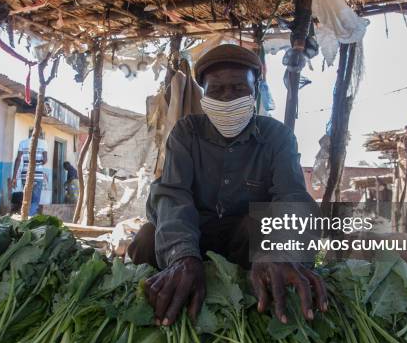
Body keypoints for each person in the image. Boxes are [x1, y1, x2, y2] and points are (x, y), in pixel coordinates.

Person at [127, 44, 327, 327]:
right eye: (216, 91)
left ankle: (257, 307)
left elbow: (292, 196)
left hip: (243, 243)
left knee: (259, 227)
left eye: (238, 88)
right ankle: (152, 303)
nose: (227, 99)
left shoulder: (277, 137)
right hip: (194, 233)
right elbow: (173, 196)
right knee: (147, 237)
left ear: (255, 89)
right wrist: (182, 255)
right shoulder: (186, 133)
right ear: (204, 95)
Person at [11, 132, 48, 216]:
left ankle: (24, 216)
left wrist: (14, 177)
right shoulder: (44, 143)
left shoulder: (23, 143)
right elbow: (45, 160)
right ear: (40, 134)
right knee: (35, 200)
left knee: (26, 198)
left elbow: (18, 159)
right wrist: (38, 162)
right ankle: (28, 218)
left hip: (25, 175)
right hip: (38, 175)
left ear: (30, 133)